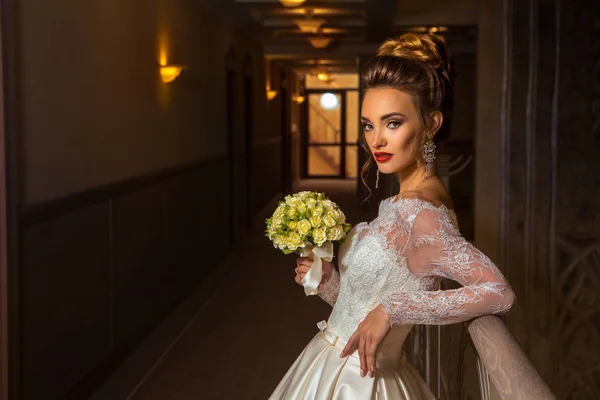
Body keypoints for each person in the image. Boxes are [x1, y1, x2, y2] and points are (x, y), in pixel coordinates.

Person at [269, 33, 516, 399]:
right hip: (329, 363)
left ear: (432, 123)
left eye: (393, 123)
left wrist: (393, 308)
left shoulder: (424, 214)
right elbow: (364, 307)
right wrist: (330, 282)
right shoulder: (402, 201)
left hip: (364, 381)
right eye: (369, 125)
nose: (377, 140)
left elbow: (499, 293)